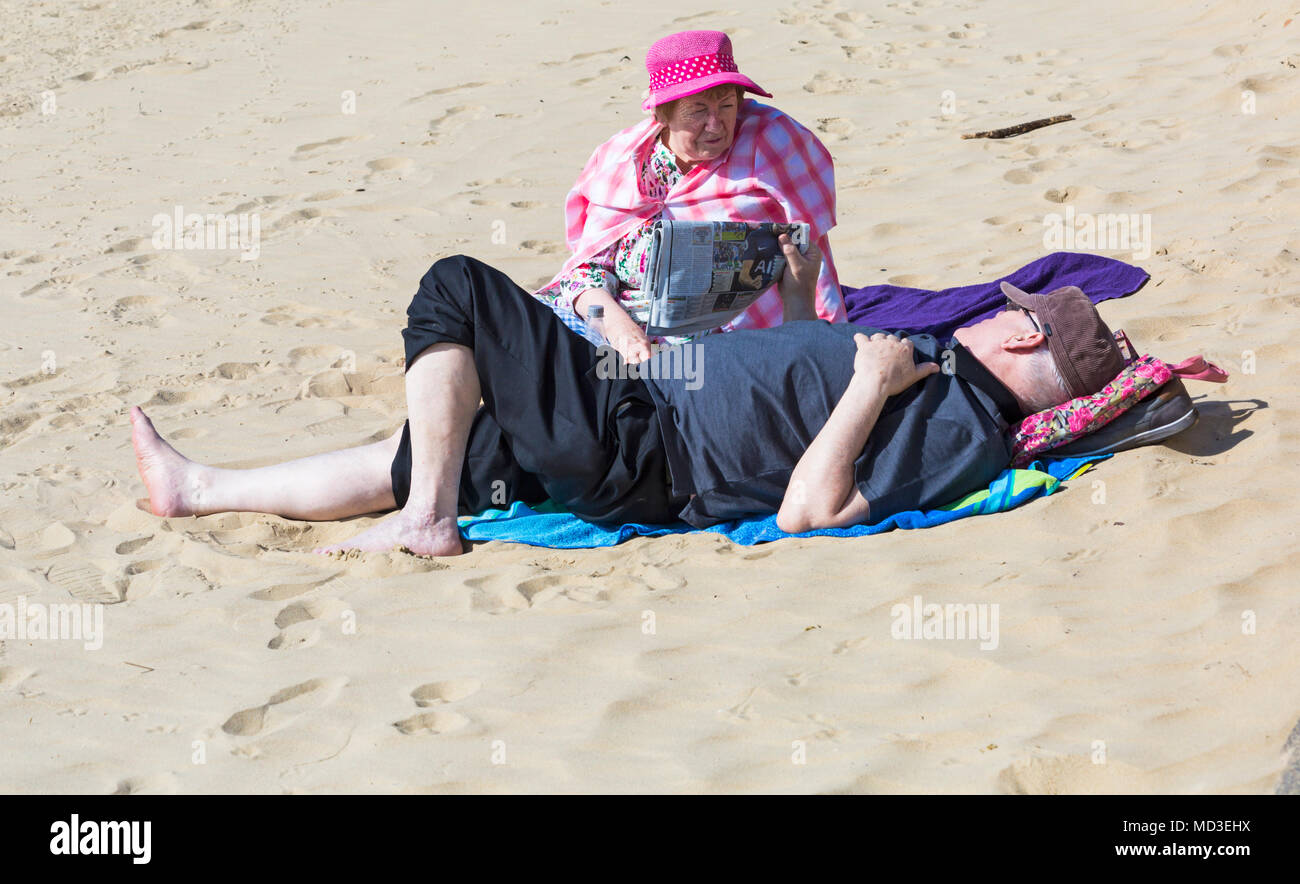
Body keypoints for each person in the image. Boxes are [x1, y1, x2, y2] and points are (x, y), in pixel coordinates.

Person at [130, 245, 1125, 556]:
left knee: (455, 291)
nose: (990, 316)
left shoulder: (961, 429)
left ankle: (429, 515)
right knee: (428, 442)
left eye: (1009, 313)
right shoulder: (944, 383)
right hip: (633, 411)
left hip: (643, 451)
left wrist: (866, 383)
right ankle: (201, 488)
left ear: (1024, 335)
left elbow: (807, 511)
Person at [536, 30, 847, 363]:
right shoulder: (622, 163)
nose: (715, 126)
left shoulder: (771, 145)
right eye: (696, 111)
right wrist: (621, 332)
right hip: (608, 329)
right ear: (661, 115)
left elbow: (810, 251)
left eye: (727, 106)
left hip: (717, 350)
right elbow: (584, 276)